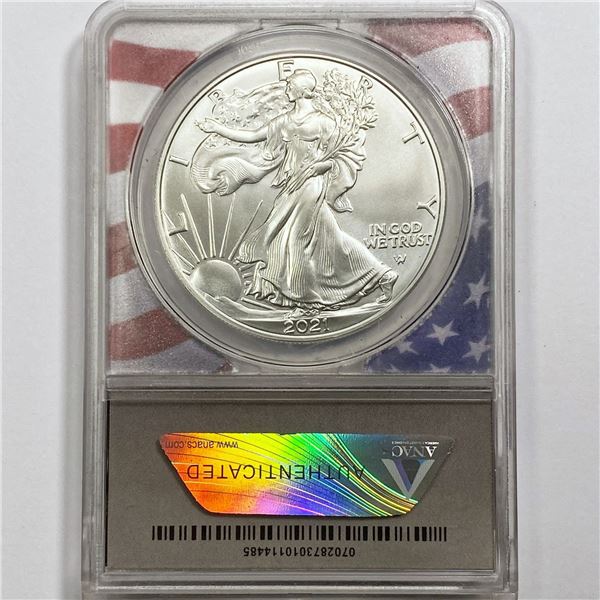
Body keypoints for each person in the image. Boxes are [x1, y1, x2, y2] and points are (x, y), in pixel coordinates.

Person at [198, 69, 396, 316]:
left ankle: (306, 301)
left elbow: (345, 153)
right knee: (330, 239)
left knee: (294, 238)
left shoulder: (324, 122)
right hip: (292, 185)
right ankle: (382, 275)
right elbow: (252, 136)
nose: (287, 88)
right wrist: (218, 128)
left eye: (290, 85)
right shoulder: (285, 121)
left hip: (311, 184)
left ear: (301, 90)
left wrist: (323, 165)